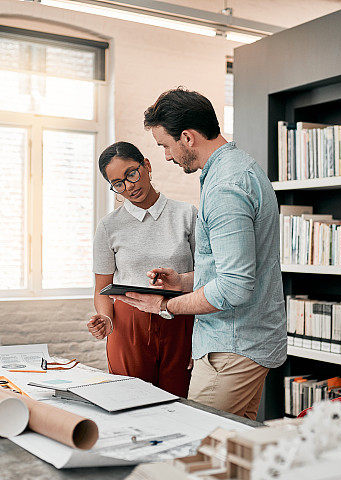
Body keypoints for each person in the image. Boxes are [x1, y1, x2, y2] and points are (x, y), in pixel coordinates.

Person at [113, 88, 286, 420]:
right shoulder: (240, 168)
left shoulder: (225, 187)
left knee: (198, 451)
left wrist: (164, 306)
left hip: (231, 348)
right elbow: (236, 269)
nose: (165, 156)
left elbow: (234, 287)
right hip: (247, 344)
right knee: (232, 454)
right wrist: (182, 281)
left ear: (188, 138)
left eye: (165, 145)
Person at [87, 141, 197, 398]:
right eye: (118, 183)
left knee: (179, 404)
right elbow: (102, 289)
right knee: (131, 404)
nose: (129, 186)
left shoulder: (186, 214)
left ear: (146, 166)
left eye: (131, 174)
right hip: (127, 327)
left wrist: (201, 336)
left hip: (180, 321)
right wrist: (106, 318)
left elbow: (207, 275)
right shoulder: (109, 226)